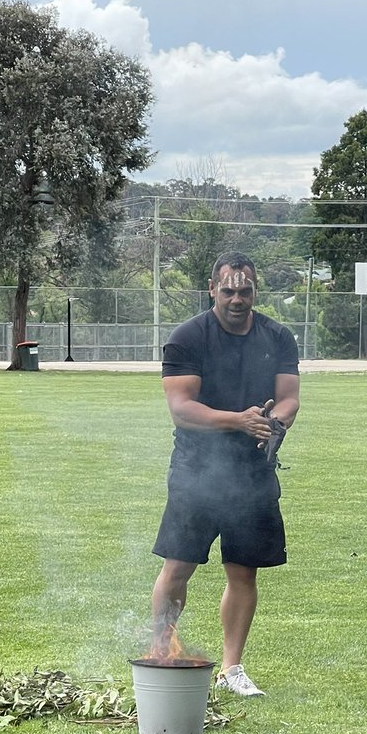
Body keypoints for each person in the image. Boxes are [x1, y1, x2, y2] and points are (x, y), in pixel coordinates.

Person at [150, 251, 300, 696]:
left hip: (252, 473)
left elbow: (289, 397)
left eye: (246, 290)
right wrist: (238, 419)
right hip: (197, 470)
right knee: (178, 567)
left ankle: (232, 669)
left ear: (256, 291)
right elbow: (181, 410)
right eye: (229, 290)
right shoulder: (188, 338)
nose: (238, 298)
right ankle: (161, 656)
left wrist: (275, 422)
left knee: (244, 571)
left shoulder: (278, 336)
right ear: (212, 289)